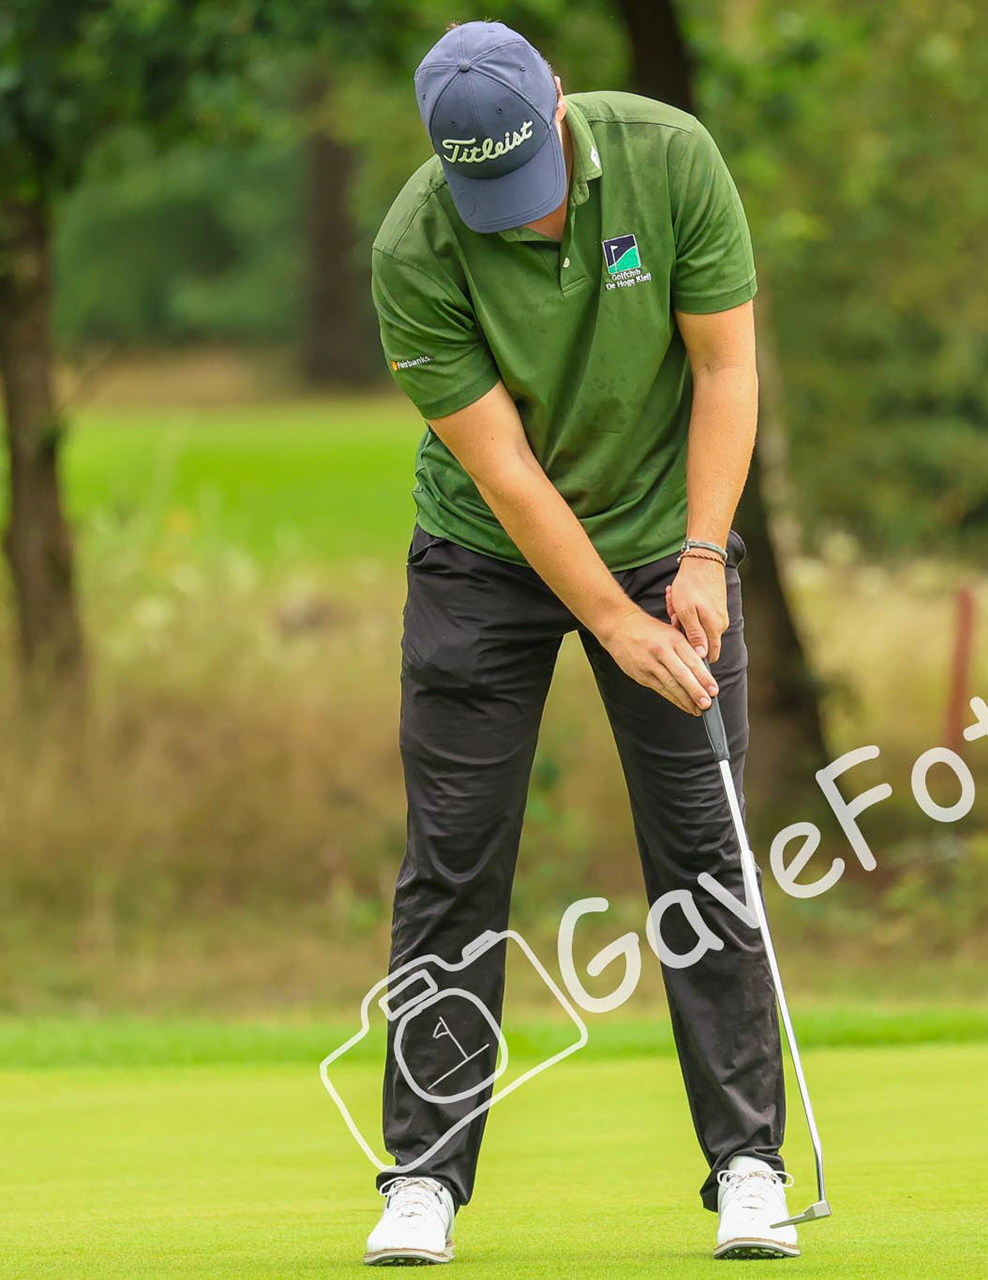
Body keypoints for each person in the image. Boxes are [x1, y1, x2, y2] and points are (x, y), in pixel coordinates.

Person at [362, 20, 798, 1266]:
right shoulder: (415, 244)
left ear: (558, 103)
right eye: (493, 194)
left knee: (705, 850)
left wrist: (703, 554)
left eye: (533, 179)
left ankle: (750, 1165)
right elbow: (502, 469)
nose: (527, 214)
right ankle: (422, 1178)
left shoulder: (670, 157)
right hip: (486, 554)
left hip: (665, 533)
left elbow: (725, 368)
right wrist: (612, 619)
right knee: (454, 861)